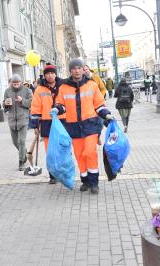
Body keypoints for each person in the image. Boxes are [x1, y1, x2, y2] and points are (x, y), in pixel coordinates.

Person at [54, 59, 113, 194]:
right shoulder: (63, 88)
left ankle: (94, 183)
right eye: (74, 68)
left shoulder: (91, 85)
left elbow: (99, 105)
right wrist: (57, 109)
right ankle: (85, 180)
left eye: (79, 68)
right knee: (79, 155)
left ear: (83, 69)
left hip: (90, 125)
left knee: (89, 152)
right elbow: (61, 104)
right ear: (70, 71)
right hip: (73, 126)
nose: (77, 70)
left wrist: (107, 115)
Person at [29, 63, 64, 184]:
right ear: (44, 76)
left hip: (62, 121)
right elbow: (35, 107)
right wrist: (35, 126)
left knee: (62, 149)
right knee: (50, 150)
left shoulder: (63, 86)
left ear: (55, 74)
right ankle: (53, 175)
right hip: (46, 122)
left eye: (52, 73)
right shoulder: (39, 89)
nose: (49, 76)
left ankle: (62, 172)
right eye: (47, 74)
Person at [3, 74, 33, 171]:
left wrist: (22, 100)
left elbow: (32, 103)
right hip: (12, 120)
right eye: (14, 84)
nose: (15, 85)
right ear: (11, 83)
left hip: (23, 119)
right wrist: (5, 104)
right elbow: (5, 107)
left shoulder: (27, 90)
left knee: (21, 141)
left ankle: (21, 161)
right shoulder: (7, 91)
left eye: (17, 84)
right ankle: (23, 152)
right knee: (15, 142)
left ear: (21, 82)